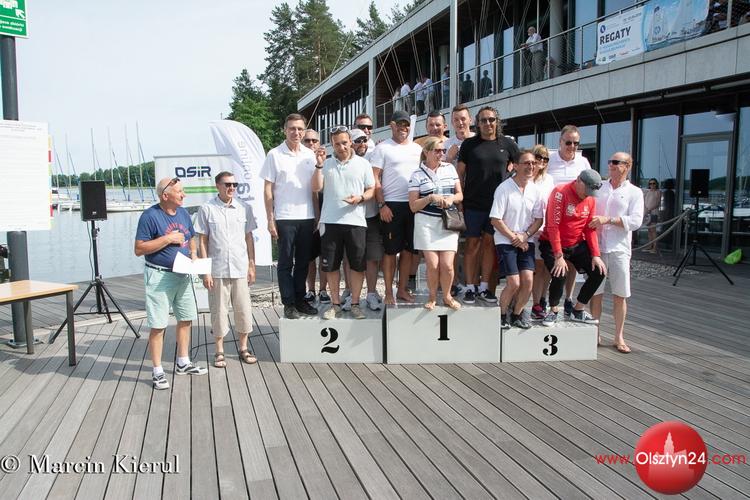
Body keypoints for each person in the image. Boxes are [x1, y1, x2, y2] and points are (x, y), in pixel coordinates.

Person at [134, 177, 207, 390]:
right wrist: (167, 239)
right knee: (158, 325)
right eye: (180, 192)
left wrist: (193, 254)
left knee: (186, 318)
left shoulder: (183, 213)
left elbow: (191, 237)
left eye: (183, 191)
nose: (184, 195)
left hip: (182, 275)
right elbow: (139, 249)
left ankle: (183, 362)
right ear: (165, 196)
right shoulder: (150, 216)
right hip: (160, 276)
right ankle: (157, 371)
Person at [457, 106, 520, 304]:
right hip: (473, 204)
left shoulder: (507, 144)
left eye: (491, 119)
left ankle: (484, 287)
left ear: (497, 121)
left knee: (489, 245)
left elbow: (521, 166)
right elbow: (459, 174)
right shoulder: (469, 144)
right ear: (477, 123)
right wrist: (460, 201)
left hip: (498, 207)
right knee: (471, 245)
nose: (487, 123)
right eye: (483, 120)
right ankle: (470, 287)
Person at [195, 172, 258, 367]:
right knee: (218, 312)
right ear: (217, 186)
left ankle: (243, 348)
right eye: (227, 184)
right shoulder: (206, 209)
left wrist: (252, 265)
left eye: (234, 184)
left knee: (243, 310)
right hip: (217, 269)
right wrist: (205, 271)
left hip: (240, 267)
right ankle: (219, 351)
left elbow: (249, 237)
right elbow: (202, 241)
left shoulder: (244, 208)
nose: (231, 188)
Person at [312, 127, 375, 320]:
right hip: (330, 221)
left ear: (350, 142)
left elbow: (371, 189)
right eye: (337, 144)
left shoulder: (363, 164)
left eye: (344, 142)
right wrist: (319, 166)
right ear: (332, 145)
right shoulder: (325, 164)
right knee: (331, 266)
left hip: (356, 221)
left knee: (357, 265)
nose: (341, 147)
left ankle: (355, 303)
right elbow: (316, 187)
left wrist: (360, 198)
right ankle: (335, 304)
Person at [261, 113, 319, 319]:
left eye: (300, 129)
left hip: (307, 217)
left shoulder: (310, 155)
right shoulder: (274, 154)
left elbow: (314, 189)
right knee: (285, 263)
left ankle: (300, 299)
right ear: (285, 130)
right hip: (284, 217)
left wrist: (317, 215)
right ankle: (289, 303)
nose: (296, 132)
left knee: (303, 262)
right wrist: (270, 219)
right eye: (292, 128)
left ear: (304, 131)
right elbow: (267, 189)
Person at [589, 153, 643, 353]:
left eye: (615, 162)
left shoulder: (635, 192)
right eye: (609, 161)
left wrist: (609, 220)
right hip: (598, 248)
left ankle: (619, 336)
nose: (610, 165)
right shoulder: (599, 187)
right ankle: (595, 332)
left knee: (620, 294)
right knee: (596, 293)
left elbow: (636, 221)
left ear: (627, 166)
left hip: (620, 249)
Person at [538, 170, 607, 326]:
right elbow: (553, 226)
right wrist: (558, 256)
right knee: (560, 272)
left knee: (599, 271)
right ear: (578, 181)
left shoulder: (590, 199)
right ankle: (553, 310)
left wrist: (596, 255)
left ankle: (578, 309)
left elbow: (589, 229)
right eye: (586, 190)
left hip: (575, 243)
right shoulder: (560, 192)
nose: (587, 195)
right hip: (551, 243)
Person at [371, 110, 423, 305]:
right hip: (391, 205)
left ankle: (401, 290)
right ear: (391, 125)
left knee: (409, 251)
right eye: (399, 124)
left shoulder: (417, 148)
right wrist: (382, 204)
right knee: (391, 252)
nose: (403, 128)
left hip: (414, 205)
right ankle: (388, 293)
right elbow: (375, 178)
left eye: (406, 124)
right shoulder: (382, 148)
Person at [490, 151, 544, 329]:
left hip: (526, 240)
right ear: (516, 166)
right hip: (505, 240)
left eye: (533, 163)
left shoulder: (535, 190)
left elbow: (539, 219)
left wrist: (525, 236)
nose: (531, 166)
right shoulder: (504, 188)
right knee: (514, 283)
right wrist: (515, 238)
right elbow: (495, 219)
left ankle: (516, 314)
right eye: (526, 163)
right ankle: (502, 315)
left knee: (528, 282)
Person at [408, 136, 464, 311]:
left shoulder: (450, 169)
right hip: (426, 222)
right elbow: (413, 206)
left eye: (443, 151)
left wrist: (451, 199)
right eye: (437, 150)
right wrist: (430, 198)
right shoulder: (417, 174)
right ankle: (432, 296)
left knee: (447, 265)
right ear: (426, 152)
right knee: (432, 265)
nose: (441, 154)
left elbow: (460, 195)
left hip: (448, 221)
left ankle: (447, 296)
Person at [547, 125, 592, 318]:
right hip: (551, 217)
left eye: (576, 143)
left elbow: (589, 189)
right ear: (560, 142)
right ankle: (546, 301)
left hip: (574, 220)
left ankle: (568, 298)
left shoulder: (583, 162)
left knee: (572, 264)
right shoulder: (550, 160)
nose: (572, 146)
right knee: (548, 265)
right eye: (568, 142)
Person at [353, 115, 384, 311]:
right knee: (352, 258)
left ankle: (371, 293)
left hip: (371, 214)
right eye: (358, 138)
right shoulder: (341, 158)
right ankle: (351, 294)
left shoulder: (376, 151)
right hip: (350, 217)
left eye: (368, 128)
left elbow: (378, 182)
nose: (364, 135)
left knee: (372, 257)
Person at [527, 145, 556, 320]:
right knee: (535, 267)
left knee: (546, 267)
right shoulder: (526, 178)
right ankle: (535, 302)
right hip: (528, 228)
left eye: (545, 159)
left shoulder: (549, 179)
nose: (542, 162)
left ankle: (542, 300)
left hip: (546, 228)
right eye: (539, 157)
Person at [302, 129, 330, 305]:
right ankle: (311, 289)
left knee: (325, 256)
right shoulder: (299, 162)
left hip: (326, 215)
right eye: (307, 140)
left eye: (314, 140)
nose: (311, 143)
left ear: (319, 142)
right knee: (309, 257)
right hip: (307, 215)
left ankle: (323, 290)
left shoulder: (328, 162)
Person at [644, 177, 661, 253]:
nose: (652, 185)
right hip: (647, 213)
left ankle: (655, 247)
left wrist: (650, 209)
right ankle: (650, 246)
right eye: (650, 183)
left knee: (653, 230)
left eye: (654, 183)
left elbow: (658, 203)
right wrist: (646, 210)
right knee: (649, 230)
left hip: (654, 213)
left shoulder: (658, 192)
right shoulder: (647, 192)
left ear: (656, 184)